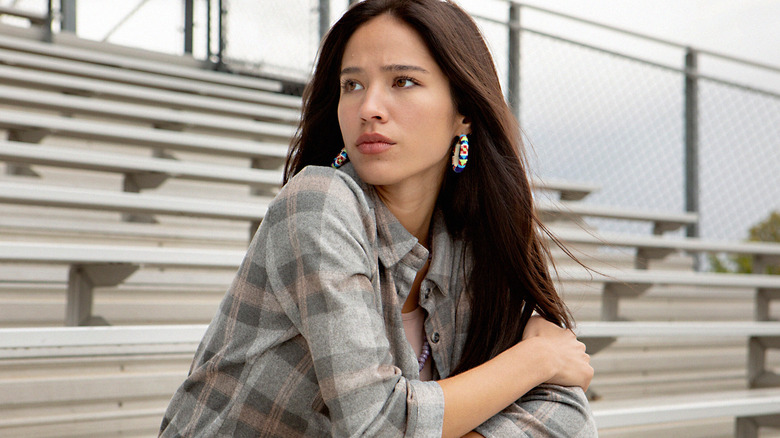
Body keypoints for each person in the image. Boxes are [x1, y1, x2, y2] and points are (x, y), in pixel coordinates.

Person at [159, 0, 596, 436]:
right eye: (352, 85)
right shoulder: (319, 204)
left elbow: (569, 414)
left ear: (463, 112)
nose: (369, 107)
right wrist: (534, 359)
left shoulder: (470, 243)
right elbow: (379, 427)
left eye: (402, 81)